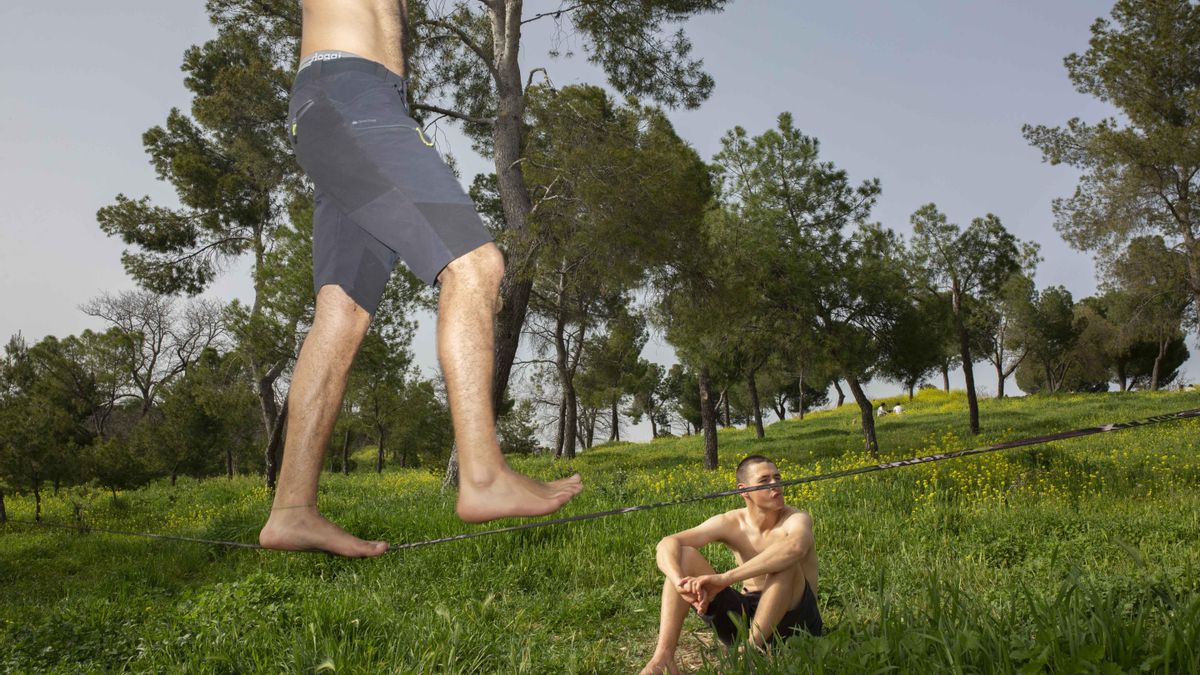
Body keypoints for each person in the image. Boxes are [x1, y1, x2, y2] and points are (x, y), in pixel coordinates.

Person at [259, 0, 582, 558]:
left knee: (342, 313)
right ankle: (481, 476)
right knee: (477, 265)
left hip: (352, 105)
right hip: (348, 93)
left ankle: (291, 510)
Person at [639, 455, 822, 675]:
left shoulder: (796, 518)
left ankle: (751, 651)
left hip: (795, 620)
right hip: (746, 614)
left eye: (777, 478)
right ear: (743, 491)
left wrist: (725, 578)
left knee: (784, 560)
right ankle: (663, 657)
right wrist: (679, 582)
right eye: (764, 481)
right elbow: (667, 543)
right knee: (684, 555)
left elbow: (795, 548)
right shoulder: (732, 522)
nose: (776, 485)